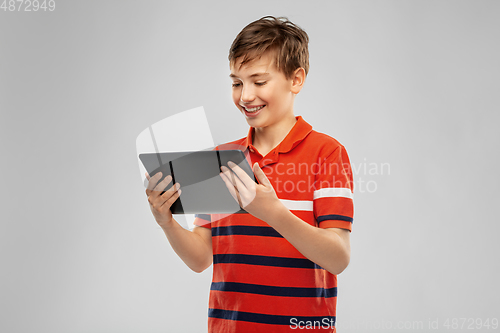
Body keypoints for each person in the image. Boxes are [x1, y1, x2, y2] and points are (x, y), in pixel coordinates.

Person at [145, 16, 354, 333]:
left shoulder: (327, 154)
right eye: (236, 82)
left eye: (259, 81)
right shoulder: (219, 159)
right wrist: (166, 222)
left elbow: (338, 258)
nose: (245, 96)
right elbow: (201, 258)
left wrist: (273, 213)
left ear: (296, 80)